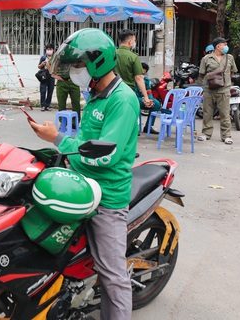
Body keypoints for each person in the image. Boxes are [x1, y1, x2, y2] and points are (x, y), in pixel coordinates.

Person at [29, 28, 136, 320]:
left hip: (107, 197)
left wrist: (58, 139)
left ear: (96, 63)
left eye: (78, 65)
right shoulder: (97, 93)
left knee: (113, 274)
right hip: (81, 182)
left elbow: (104, 153)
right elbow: (87, 139)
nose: (75, 71)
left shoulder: (122, 100)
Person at [197, 37, 238, 144]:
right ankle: (206, 133)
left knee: (225, 113)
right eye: (224, 44)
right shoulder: (206, 59)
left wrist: (223, 80)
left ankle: (226, 136)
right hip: (209, 89)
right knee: (207, 113)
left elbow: (232, 72)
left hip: (224, 90)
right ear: (217, 46)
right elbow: (202, 74)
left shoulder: (229, 58)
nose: (226, 46)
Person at [115, 29, 153, 110]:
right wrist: (146, 97)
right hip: (128, 93)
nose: (134, 43)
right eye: (134, 40)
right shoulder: (133, 57)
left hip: (113, 92)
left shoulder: (112, 54)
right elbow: (138, 78)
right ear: (130, 41)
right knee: (155, 104)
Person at [137, 62, 161, 134]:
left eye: (143, 73)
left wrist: (150, 100)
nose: (142, 75)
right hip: (135, 98)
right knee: (135, 103)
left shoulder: (146, 80)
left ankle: (148, 127)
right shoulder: (133, 78)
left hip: (144, 99)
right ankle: (136, 128)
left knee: (156, 103)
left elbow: (148, 90)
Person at [38, 44, 55, 111]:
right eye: (48, 49)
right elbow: (39, 67)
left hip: (51, 76)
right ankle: (43, 105)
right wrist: (42, 64)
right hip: (44, 76)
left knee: (50, 91)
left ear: (53, 50)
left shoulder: (55, 58)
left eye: (50, 49)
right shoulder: (43, 57)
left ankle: (48, 105)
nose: (49, 51)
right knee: (43, 91)